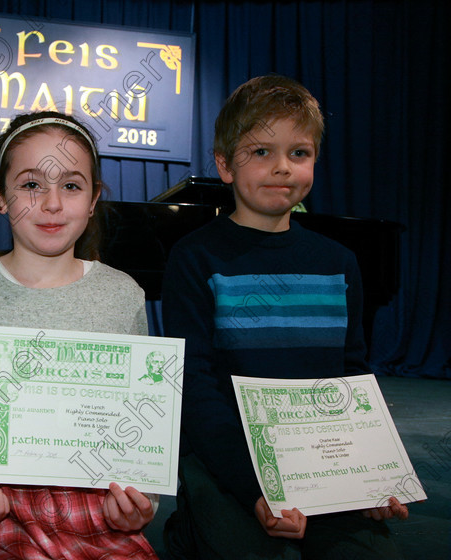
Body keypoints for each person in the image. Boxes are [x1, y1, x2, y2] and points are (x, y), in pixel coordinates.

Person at [161, 75, 409, 559]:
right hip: (228, 464)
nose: (282, 168)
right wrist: (256, 489)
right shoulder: (195, 258)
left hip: (321, 467)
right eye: (260, 153)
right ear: (224, 164)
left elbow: (352, 377)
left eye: (299, 153)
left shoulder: (339, 262)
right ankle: (188, 526)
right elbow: (195, 387)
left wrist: (372, 474)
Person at [0, 111, 160, 559]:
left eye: (71, 185)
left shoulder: (122, 295)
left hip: (100, 522)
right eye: (31, 184)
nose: (51, 203)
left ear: (93, 198)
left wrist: (141, 500)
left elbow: (142, 423)